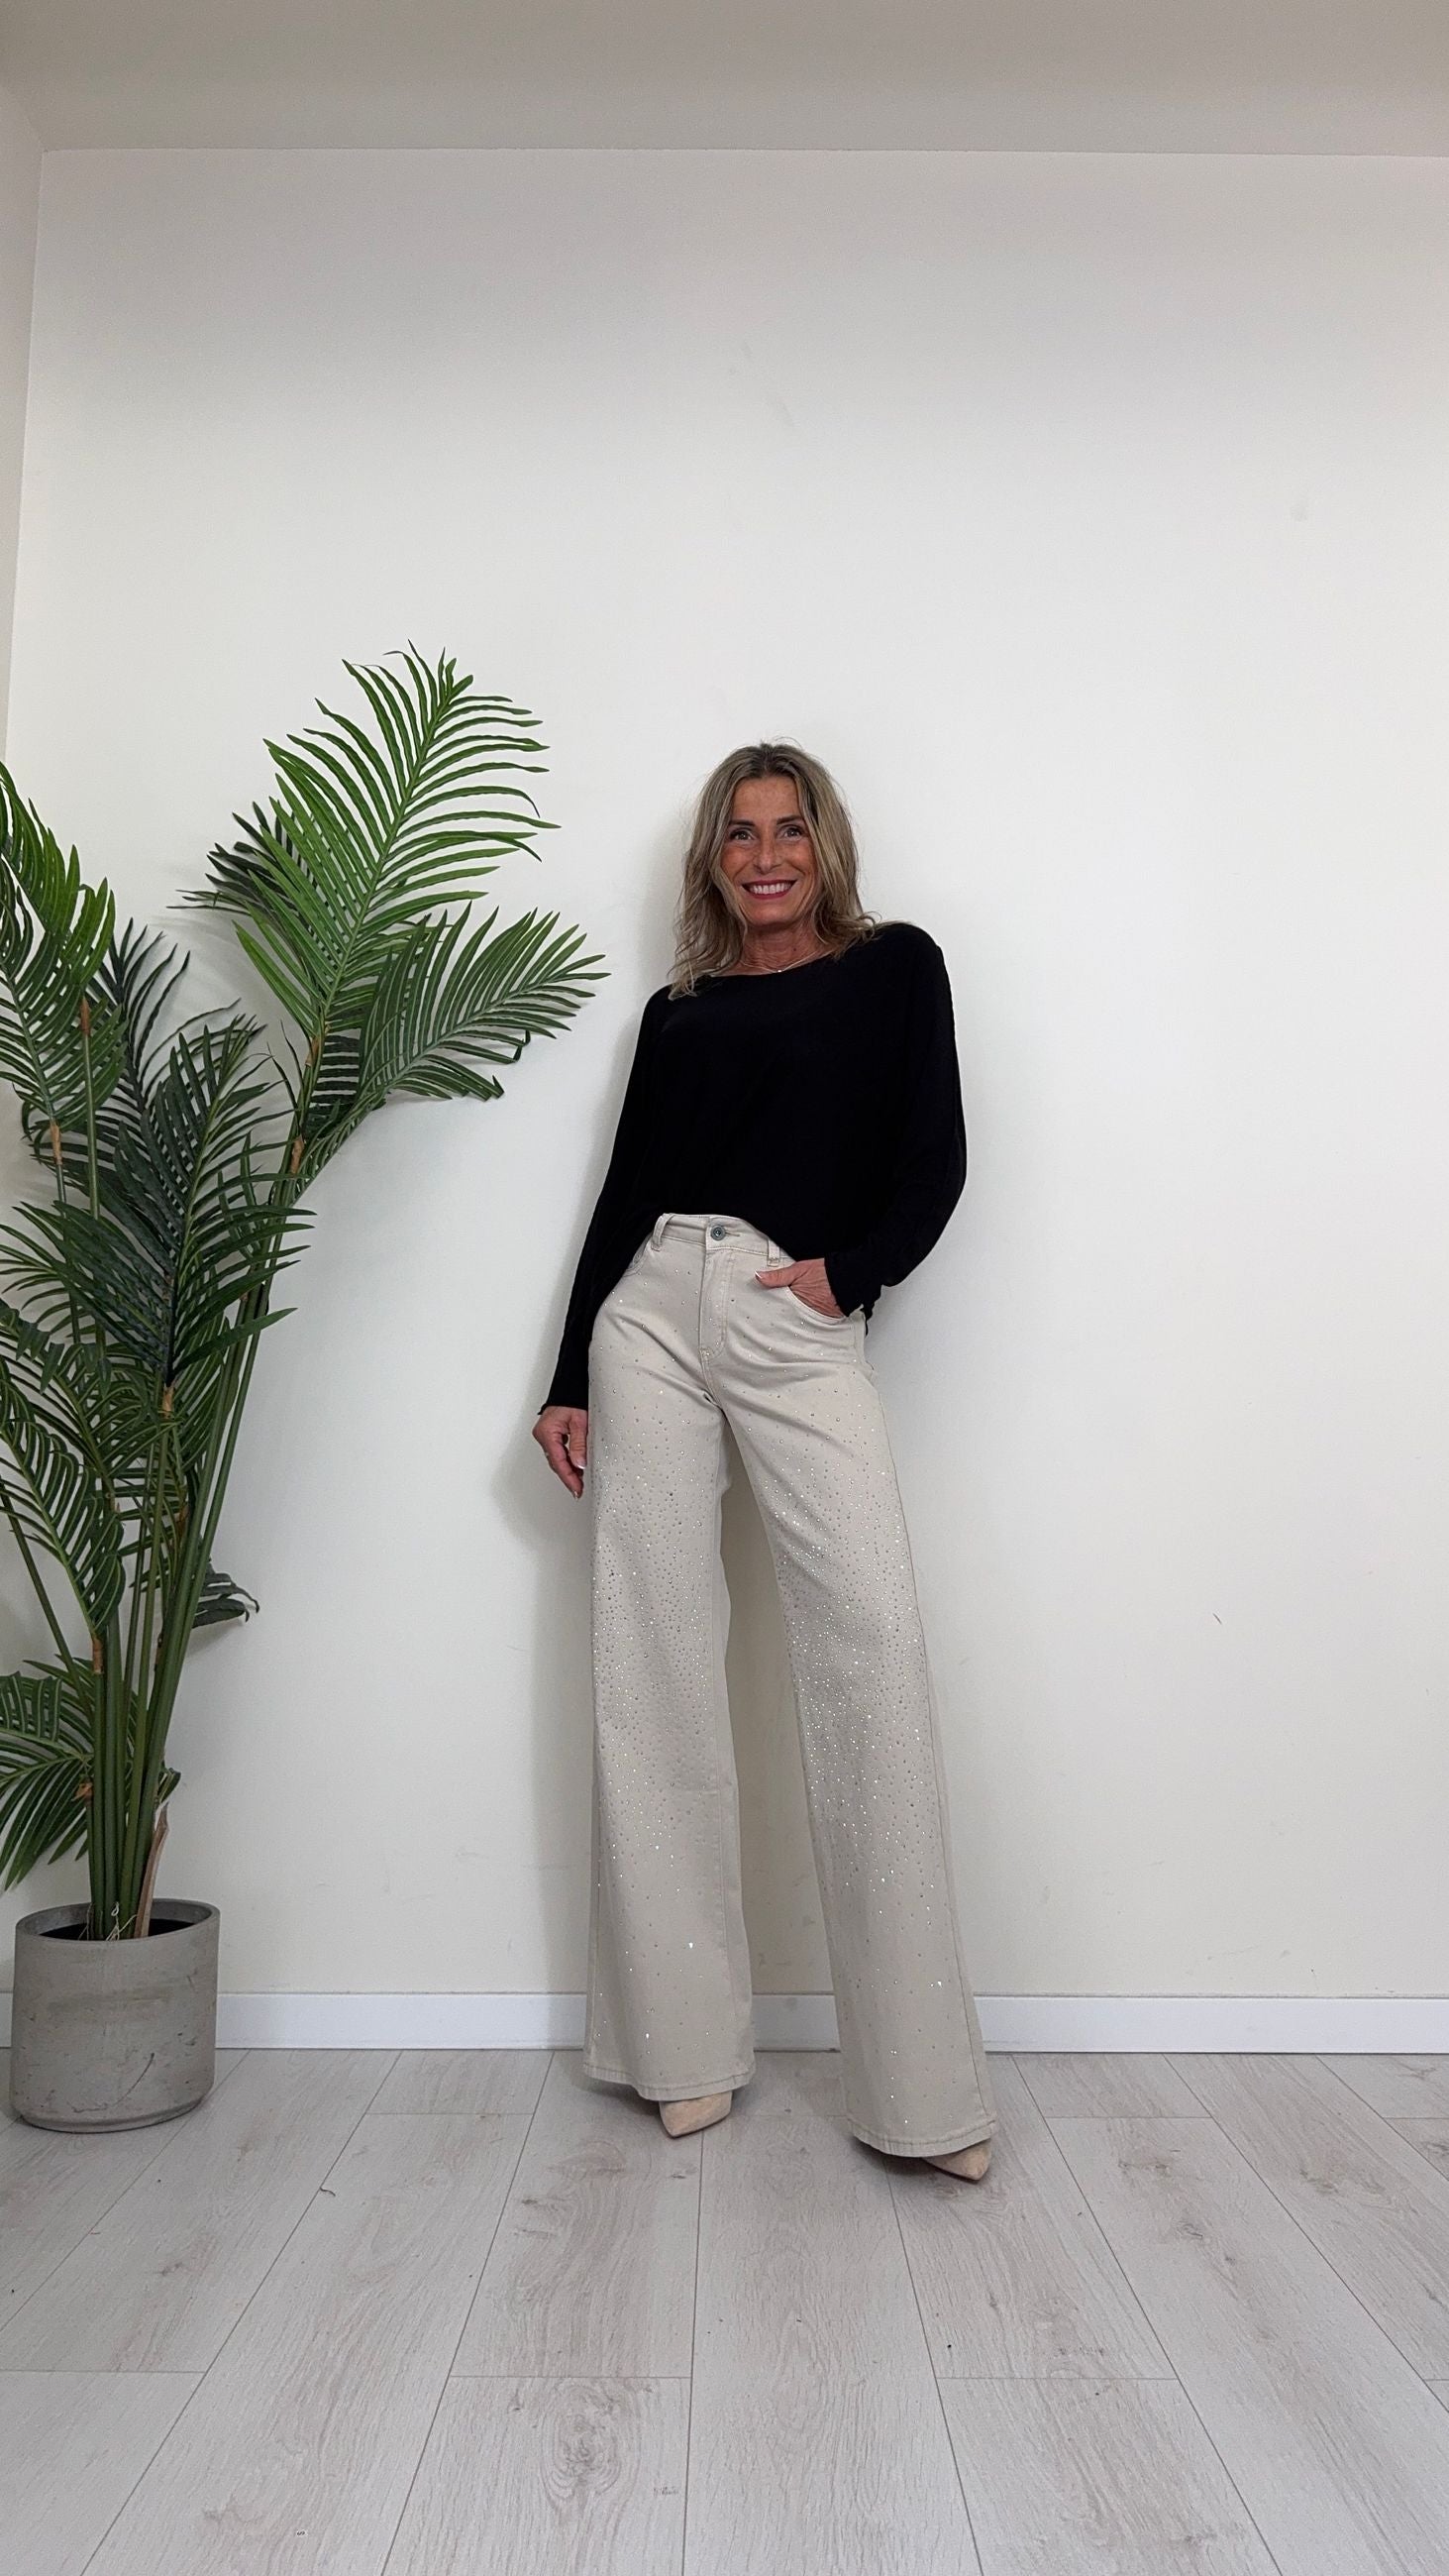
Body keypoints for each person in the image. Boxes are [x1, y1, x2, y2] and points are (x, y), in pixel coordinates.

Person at [533, 743, 996, 2180]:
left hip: (794, 1313)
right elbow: (626, 1192)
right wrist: (568, 1375)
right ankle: (678, 2051)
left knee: (872, 1650)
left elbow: (935, 1158)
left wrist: (847, 1275)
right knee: (655, 1659)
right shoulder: (680, 1014)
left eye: (789, 830)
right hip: (650, 1317)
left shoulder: (896, 967)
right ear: (713, 860)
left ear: (825, 844)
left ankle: (924, 2095)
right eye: (739, 835)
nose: (766, 855)